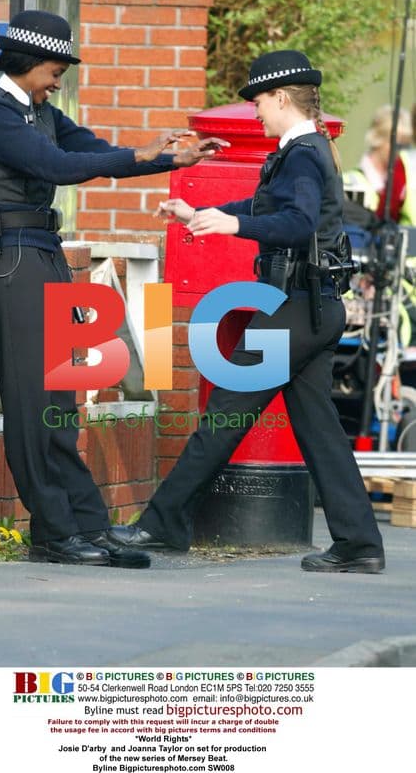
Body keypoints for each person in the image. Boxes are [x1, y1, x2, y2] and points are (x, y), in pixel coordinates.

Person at [0, 9, 226, 569]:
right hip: (11, 262)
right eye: (55, 70)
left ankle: (88, 524)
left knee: (60, 403)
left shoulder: (40, 111)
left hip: (43, 254)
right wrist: (142, 152)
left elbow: (93, 150)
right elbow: (56, 165)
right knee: (32, 403)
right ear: (29, 62)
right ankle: (53, 533)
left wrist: (172, 157)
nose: (58, 81)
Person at [109, 49, 386, 574]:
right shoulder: (308, 148)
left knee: (223, 414)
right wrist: (199, 212)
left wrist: (231, 227)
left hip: (293, 310)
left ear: (280, 97)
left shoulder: (302, 153)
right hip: (314, 307)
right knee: (320, 432)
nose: (256, 111)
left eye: (259, 100)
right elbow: (265, 207)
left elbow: (299, 223)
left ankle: (163, 523)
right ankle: (359, 544)